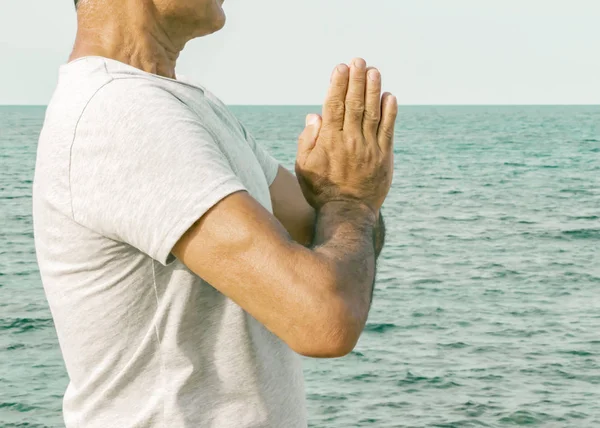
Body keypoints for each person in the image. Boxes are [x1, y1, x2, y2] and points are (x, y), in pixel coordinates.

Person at [32, 0, 398, 426]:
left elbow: (325, 238)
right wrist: (352, 202)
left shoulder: (183, 102)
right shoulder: (121, 112)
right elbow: (323, 320)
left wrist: (348, 198)